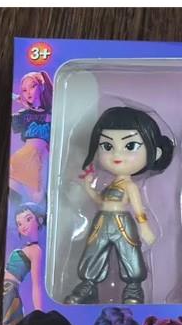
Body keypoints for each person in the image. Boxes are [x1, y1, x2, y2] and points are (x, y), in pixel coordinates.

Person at [65, 106, 174, 305]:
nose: (117, 154)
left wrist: (144, 227)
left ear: (155, 152)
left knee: (129, 252)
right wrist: (87, 187)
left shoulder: (130, 186)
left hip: (122, 223)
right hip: (102, 221)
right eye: (107, 146)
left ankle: (134, 288)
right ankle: (88, 285)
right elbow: (100, 201)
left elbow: (138, 209)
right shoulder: (111, 185)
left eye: (130, 146)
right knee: (94, 250)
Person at [1, 203, 45, 325]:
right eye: (19, 223)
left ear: (38, 219)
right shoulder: (27, 247)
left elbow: (36, 284)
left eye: (27, 219)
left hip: (9, 293)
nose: (23, 226)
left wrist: (39, 313)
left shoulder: (35, 250)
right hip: (6, 293)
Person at [9, 70, 52, 203]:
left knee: (38, 200)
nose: (28, 93)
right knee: (30, 200)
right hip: (24, 159)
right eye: (24, 90)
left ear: (41, 86)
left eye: (32, 86)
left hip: (39, 161)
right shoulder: (23, 115)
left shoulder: (51, 112)